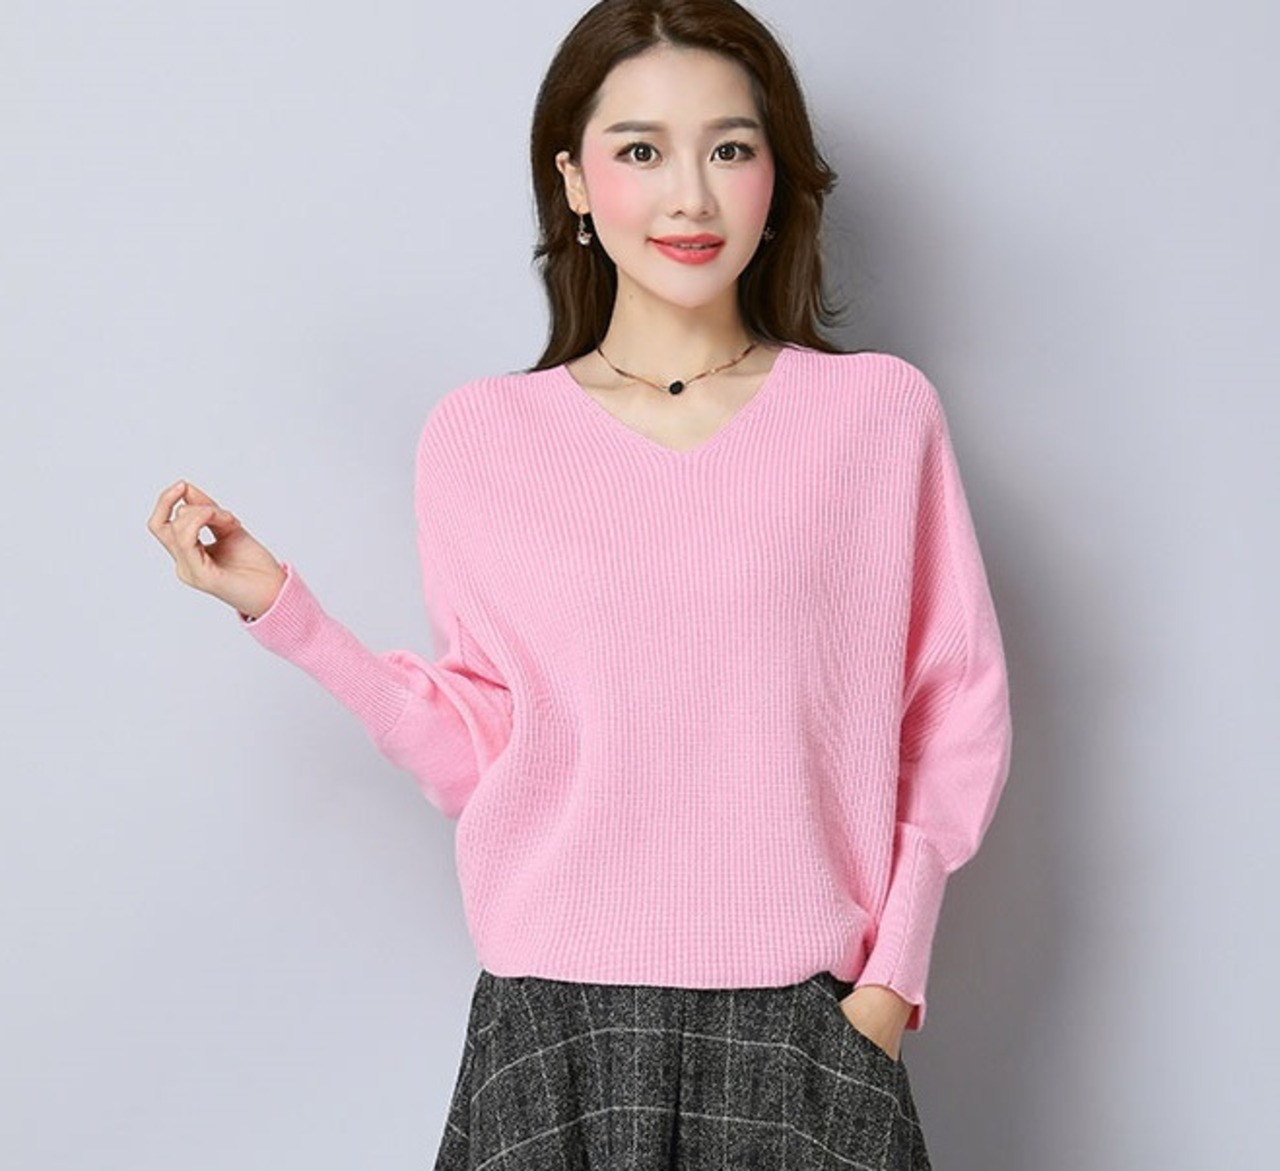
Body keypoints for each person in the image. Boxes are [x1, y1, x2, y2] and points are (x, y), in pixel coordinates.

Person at [146, 1, 1012, 1167]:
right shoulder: (481, 437)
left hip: (809, 1028)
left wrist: (888, 982)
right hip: (553, 1029)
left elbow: (954, 712)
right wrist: (284, 612)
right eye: (640, 150)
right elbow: (479, 746)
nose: (689, 196)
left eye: (729, 147)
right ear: (573, 181)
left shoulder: (874, 417)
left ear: (776, 176)